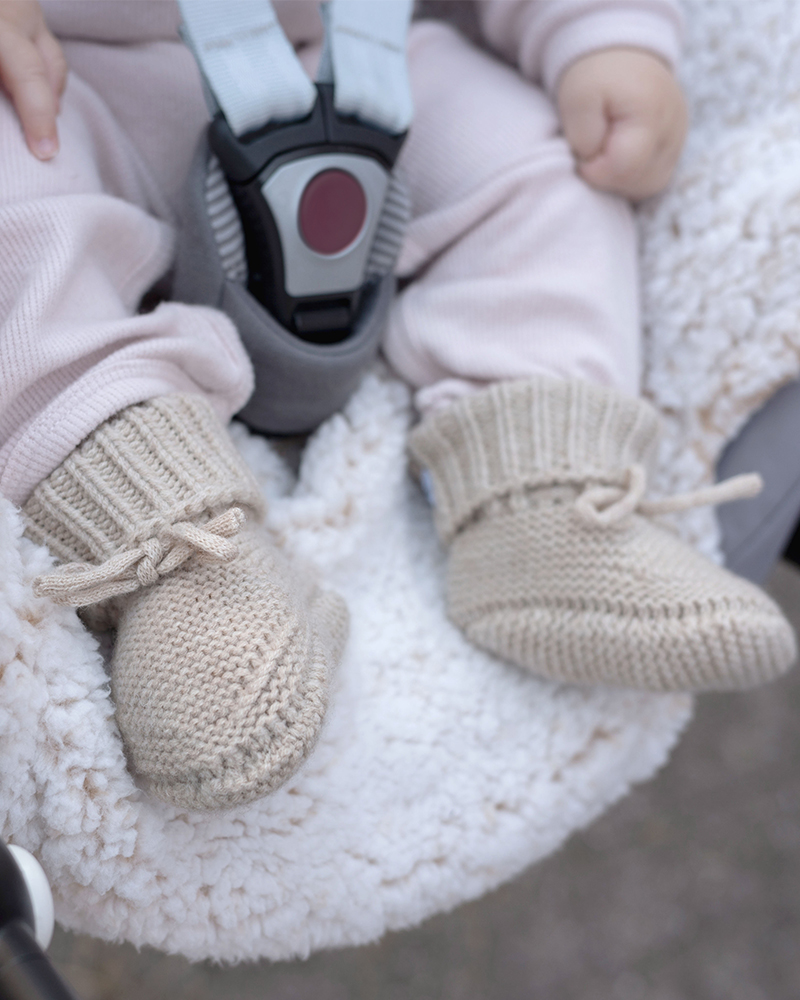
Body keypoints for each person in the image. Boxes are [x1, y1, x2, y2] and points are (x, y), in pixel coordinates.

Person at [0, 0, 794, 811]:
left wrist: (605, 37)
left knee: (536, 161)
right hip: (71, 79)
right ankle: (168, 556)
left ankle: (539, 497)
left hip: (354, 61)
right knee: (16, 232)